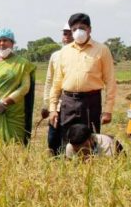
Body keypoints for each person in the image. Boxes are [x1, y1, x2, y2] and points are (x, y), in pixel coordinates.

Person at [48, 13, 117, 146]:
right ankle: (68, 165)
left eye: (82, 28)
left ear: (89, 29)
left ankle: (89, 166)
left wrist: (108, 110)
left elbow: (110, 81)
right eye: (74, 29)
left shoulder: (102, 50)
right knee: (67, 140)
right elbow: (56, 83)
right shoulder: (64, 51)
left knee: (89, 140)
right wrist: (52, 109)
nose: (78, 32)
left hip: (90, 102)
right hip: (68, 102)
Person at [0, 28, 36, 143]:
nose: (2, 44)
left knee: (14, 148)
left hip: (13, 114)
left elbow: (24, 88)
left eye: (5, 40)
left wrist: (4, 103)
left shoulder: (22, 64)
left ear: (12, 43)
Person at [42, 23, 73, 155]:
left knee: (70, 137)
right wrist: (46, 104)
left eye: (70, 33)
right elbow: (49, 80)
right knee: (53, 137)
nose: (67, 36)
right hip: (56, 104)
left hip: (72, 104)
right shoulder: (56, 56)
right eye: (65, 33)